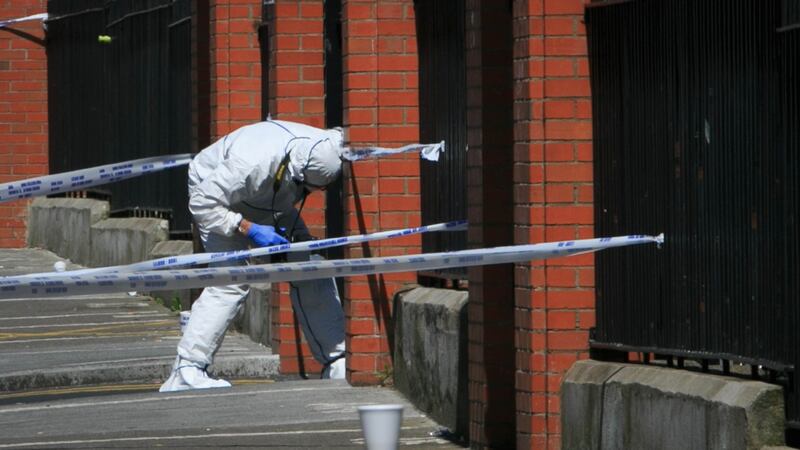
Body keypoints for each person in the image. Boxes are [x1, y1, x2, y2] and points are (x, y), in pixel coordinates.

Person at [160, 120, 347, 392]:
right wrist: (246, 227)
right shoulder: (249, 165)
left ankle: (337, 360)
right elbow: (202, 202)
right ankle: (187, 369)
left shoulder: (328, 144)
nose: (306, 195)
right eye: (306, 189)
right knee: (231, 279)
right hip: (218, 199)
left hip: (270, 196)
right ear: (293, 171)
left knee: (310, 266)